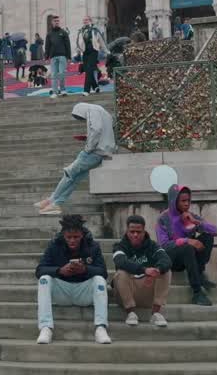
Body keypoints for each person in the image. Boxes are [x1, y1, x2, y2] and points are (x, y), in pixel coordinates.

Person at [33, 214, 111, 346]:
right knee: (44, 279)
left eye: (76, 237)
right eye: (69, 237)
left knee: (99, 280)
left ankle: (100, 327)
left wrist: (85, 269)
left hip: (84, 292)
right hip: (62, 292)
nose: (72, 240)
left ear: (82, 234)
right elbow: (39, 270)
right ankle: (46, 327)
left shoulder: (93, 246)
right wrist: (59, 271)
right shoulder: (54, 245)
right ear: (63, 235)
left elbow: (103, 272)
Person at [35, 103, 116, 215]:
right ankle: (54, 202)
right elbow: (104, 131)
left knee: (69, 173)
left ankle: (54, 202)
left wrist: (89, 147)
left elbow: (97, 129)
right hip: (102, 151)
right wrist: (88, 138)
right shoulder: (103, 112)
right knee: (74, 177)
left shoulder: (92, 110)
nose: (82, 119)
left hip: (94, 151)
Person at [157, 185, 217, 307]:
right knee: (187, 247)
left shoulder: (190, 216)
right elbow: (164, 245)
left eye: (189, 200)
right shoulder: (163, 219)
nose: (187, 204)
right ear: (174, 201)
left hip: (189, 256)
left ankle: (199, 273)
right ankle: (197, 292)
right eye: (183, 201)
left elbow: (215, 231)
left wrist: (197, 223)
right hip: (172, 259)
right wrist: (187, 240)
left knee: (207, 237)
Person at [112, 215, 173, 327]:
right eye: (132, 231)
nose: (135, 234)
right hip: (125, 294)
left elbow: (166, 260)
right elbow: (120, 261)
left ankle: (156, 313)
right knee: (121, 273)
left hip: (146, 289)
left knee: (166, 271)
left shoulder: (152, 246)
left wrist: (157, 271)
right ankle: (130, 313)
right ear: (127, 232)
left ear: (144, 232)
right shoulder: (119, 246)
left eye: (139, 232)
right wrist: (144, 270)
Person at [77, 17, 106, 96]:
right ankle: (96, 87)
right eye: (84, 20)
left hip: (93, 51)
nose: (85, 21)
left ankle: (86, 90)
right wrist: (78, 51)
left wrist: (106, 51)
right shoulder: (81, 31)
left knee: (89, 69)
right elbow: (78, 42)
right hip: (85, 52)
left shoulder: (95, 30)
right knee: (87, 70)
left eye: (86, 20)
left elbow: (101, 41)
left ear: (90, 21)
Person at [44, 17, 72, 99]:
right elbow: (47, 46)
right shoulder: (49, 34)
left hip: (62, 56)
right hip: (53, 57)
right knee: (54, 74)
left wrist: (69, 56)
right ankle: (55, 92)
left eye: (58, 21)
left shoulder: (63, 32)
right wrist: (46, 57)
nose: (56, 22)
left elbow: (68, 45)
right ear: (52, 22)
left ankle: (63, 90)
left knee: (61, 73)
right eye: (55, 21)